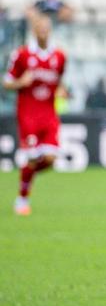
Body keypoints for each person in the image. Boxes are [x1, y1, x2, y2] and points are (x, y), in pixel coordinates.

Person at [3, 16, 66, 216]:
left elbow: (59, 81)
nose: (43, 31)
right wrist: (21, 82)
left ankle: (26, 175)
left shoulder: (59, 56)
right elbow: (7, 82)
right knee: (31, 159)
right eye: (40, 28)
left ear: (50, 30)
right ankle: (22, 199)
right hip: (28, 113)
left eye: (46, 28)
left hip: (48, 114)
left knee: (50, 159)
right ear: (34, 30)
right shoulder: (21, 55)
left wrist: (61, 91)